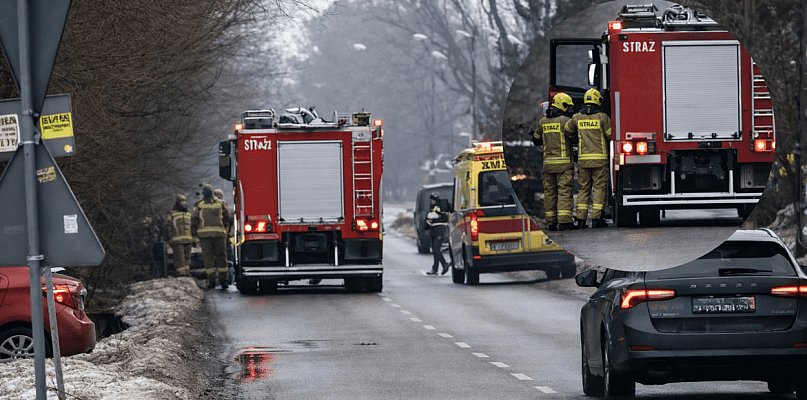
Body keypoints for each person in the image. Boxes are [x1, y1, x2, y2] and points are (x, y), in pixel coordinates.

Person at [565, 88, 612, 229]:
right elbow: (610, 136)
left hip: (583, 161)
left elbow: (567, 131)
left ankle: (581, 220)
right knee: (599, 189)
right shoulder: (603, 118)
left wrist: (576, 138)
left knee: (583, 190)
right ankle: (597, 219)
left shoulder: (576, 118)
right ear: (598, 101)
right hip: (600, 160)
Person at [533, 92, 575, 231]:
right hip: (563, 165)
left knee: (550, 193)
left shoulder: (542, 122)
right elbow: (574, 137)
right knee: (564, 192)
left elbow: (536, 140)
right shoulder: (566, 121)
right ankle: (564, 221)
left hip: (548, 165)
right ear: (562, 105)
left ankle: (551, 222)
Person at [192, 184, 232, 289]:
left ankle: (212, 281)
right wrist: (226, 230)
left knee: (209, 258)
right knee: (221, 257)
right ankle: (223, 281)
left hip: (206, 236)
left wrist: (194, 235)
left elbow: (194, 220)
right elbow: (228, 218)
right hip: (218, 235)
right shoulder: (220, 203)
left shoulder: (199, 205)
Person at [166, 194, 194, 277]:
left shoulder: (189, 213)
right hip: (177, 240)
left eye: (184, 201)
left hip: (188, 239)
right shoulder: (172, 213)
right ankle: (181, 273)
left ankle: (187, 271)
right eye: (182, 201)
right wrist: (170, 237)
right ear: (177, 202)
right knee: (179, 257)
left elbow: (193, 226)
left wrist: (194, 237)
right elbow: (168, 226)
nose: (183, 203)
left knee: (188, 257)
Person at [425, 193, 450, 275]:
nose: (432, 201)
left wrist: (434, 219)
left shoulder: (439, 207)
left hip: (439, 230)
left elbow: (444, 217)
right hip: (433, 230)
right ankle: (435, 268)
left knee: (436, 249)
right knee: (435, 250)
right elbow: (429, 219)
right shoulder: (432, 208)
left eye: (433, 200)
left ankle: (444, 264)